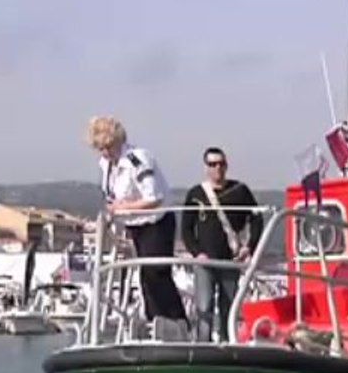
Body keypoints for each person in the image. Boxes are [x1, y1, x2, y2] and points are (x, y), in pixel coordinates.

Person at [87, 116, 188, 339]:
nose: (104, 152)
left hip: (155, 222)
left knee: (156, 274)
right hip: (134, 225)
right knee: (144, 278)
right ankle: (156, 323)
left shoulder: (137, 159)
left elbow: (154, 197)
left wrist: (125, 207)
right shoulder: (106, 165)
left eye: (108, 147)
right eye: (100, 148)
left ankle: (178, 325)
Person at [181, 147, 262, 342]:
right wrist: (196, 252)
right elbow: (186, 228)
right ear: (206, 167)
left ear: (226, 165)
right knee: (204, 306)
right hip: (205, 262)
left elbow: (257, 218)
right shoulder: (196, 194)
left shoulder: (240, 191)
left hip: (230, 260)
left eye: (221, 164)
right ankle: (202, 347)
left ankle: (227, 345)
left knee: (229, 307)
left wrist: (249, 246)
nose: (217, 168)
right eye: (212, 164)